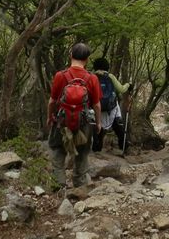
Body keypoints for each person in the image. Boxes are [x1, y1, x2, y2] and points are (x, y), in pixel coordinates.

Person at [47, 42, 102, 187]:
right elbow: (96, 105)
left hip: (61, 121)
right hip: (83, 122)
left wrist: (49, 117)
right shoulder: (92, 78)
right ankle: (80, 186)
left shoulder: (60, 75)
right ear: (87, 59)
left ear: (70, 56)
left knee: (58, 150)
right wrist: (98, 123)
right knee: (82, 153)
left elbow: (52, 101)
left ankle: (58, 186)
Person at [91, 56, 131, 155]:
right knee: (118, 126)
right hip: (111, 108)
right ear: (106, 66)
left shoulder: (91, 77)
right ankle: (124, 148)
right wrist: (128, 85)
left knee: (98, 127)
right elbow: (121, 89)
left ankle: (97, 150)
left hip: (96, 108)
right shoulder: (110, 76)